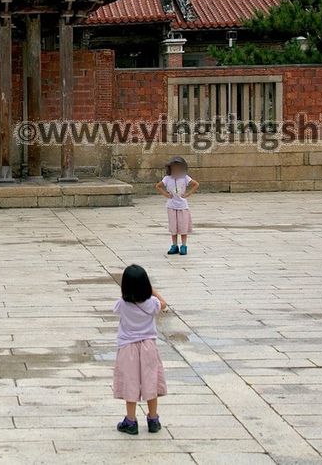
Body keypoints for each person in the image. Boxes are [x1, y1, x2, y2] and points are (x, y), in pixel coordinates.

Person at [113, 264, 168, 435]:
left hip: (128, 348)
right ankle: (153, 419)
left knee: (131, 382)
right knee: (150, 380)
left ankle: (130, 420)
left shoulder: (122, 304)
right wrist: (153, 291)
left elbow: (115, 309)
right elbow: (164, 304)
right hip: (148, 347)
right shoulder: (152, 303)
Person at [156, 156, 199, 255]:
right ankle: (174, 245)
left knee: (183, 227)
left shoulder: (185, 178)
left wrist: (188, 194)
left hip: (182, 206)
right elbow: (158, 186)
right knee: (173, 227)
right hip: (171, 206)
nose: (176, 170)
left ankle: (183, 246)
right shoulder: (167, 179)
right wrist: (166, 194)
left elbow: (196, 184)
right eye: (174, 168)